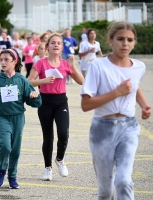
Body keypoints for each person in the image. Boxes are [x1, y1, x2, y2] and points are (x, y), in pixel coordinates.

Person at [80, 21, 151, 200]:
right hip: (102, 130)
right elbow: (85, 104)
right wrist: (116, 93)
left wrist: (144, 106)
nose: (125, 44)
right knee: (105, 192)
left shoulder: (138, 67)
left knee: (124, 181)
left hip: (128, 127)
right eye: (120, 39)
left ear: (134, 42)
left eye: (130, 40)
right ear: (110, 40)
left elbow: (133, 86)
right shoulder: (98, 66)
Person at [28, 33, 84, 181]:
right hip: (45, 102)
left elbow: (81, 81)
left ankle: (59, 159)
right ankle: (48, 168)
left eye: (59, 43)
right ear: (47, 46)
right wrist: (44, 81)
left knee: (63, 133)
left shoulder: (66, 63)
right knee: (48, 137)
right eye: (53, 43)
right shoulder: (41, 63)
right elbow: (29, 81)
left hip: (61, 102)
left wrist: (73, 67)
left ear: (61, 47)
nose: (56, 45)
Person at [0, 48, 42, 189]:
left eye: (6, 60)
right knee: (5, 146)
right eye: (1, 59)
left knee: (15, 149)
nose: (2, 62)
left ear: (14, 62)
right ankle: (2, 169)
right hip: (2, 117)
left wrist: (34, 96)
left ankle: (12, 176)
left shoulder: (21, 80)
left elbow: (35, 102)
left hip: (18, 117)